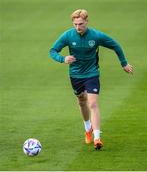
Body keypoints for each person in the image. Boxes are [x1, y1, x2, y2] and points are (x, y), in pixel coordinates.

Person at [49, 9, 133, 150]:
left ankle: (97, 138)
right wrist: (62, 59)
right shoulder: (68, 36)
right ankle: (88, 128)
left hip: (92, 73)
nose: (78, 27)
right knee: (82, 101)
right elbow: (52, 51)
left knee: (92, 103)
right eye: (75, 24)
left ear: (87, 21)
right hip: (75, 75)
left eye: (80, 24)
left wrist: (124, 63)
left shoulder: (96, 36)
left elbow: (115, 45)